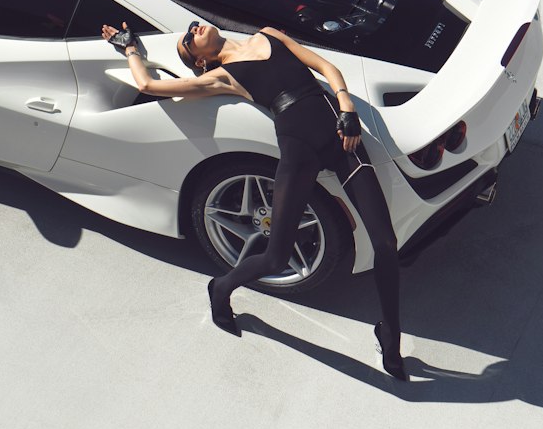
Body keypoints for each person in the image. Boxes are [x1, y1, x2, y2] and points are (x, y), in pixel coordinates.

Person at [101, 19, 408, 382]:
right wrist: (130, 48)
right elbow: (148, 84)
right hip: (300, 153)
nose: (193, 29)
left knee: (386, 244)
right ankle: (221, 287)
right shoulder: (222, 77)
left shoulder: (269, 34)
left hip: (344, 140)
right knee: (277, 255)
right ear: (201, 62)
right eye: (188, 39)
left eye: (193, 25)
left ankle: (390, 335)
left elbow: (325, 67)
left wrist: (346, 107)